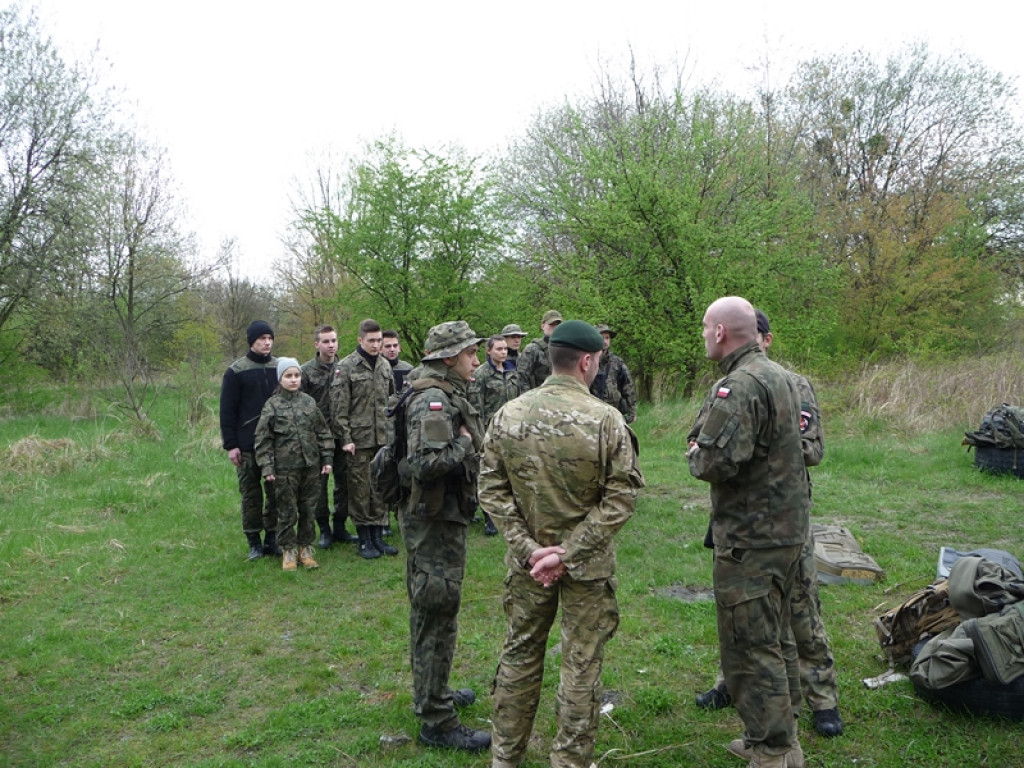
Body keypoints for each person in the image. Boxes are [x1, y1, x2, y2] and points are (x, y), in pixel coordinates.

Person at [480, 319, 644, 768]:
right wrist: (567, 553)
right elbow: (622, 496)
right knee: (581, 665)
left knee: (519, 655)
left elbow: (490, 490)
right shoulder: (605, 419)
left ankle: (504, 759)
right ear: (587, 361)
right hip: (585, 569)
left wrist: (529, 549)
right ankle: (569, 761)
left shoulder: (509, 414)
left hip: (528, 565)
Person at [695, 309, 844, 742]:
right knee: (750, 621)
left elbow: (811, 448)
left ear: (766, 339)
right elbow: (701, 435)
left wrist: (767, 441)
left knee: (801, 614)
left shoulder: (792, 384)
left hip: (781, 517)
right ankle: (736, 685)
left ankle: (821, 698)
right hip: (750, 519)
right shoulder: (729, 385)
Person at [687, 296, 811, 768]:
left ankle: (773, 749)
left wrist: (695, 451)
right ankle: (782, 735)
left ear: (721, 332)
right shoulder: (780, 375)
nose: (702, 335)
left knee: (748, 646)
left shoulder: (738, 386)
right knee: (776, 639)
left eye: (704, 327)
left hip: (751, 538)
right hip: (786, 532)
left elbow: (713, 460)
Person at [400, 320, 491, 753]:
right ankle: (436, 719)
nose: (477, 359)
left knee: (436, 611)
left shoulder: (441, 391)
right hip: (434, 524)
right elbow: (424, 464)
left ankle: (434, 693)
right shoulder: (434, 400)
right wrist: (467, 444)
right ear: (450, 357)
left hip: (441, 520)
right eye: (471, 352)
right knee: (436, 612)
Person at [255, 358, 334, 571]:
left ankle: (305, 549)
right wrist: (267, 467)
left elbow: (323, 432)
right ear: (280, 379)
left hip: (311, 466)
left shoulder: (309, 402)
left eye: (296, 375)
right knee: (286, 510)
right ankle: (288, 551)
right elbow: (263, 440)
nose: (293, 380)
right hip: (284, 470)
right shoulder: (272, 405)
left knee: (308, 509)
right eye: (288, 376)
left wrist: (327, 459)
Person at [330, 319, 397, 559]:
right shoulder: (346, 367)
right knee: (360, 489)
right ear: (360, 340)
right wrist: (345, 438)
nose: (376, 345)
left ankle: (378, 535)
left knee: (380, 486)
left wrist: (393, 433)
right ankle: (364, 538)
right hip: (358, 440)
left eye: (379, 340)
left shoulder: (385, 365)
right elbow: (338, 408)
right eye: (371, 341)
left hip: (382, 438)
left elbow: (391, 402)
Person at [219, 320, 280, 561]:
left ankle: (273, 538)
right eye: (261, 339)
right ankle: (254, 541)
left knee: (275, 493)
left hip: (276, 443)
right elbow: (227, 410)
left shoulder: (279, 367)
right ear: (251, 341)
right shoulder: (236, 371)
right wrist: (231, 445)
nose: (266, 342)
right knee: (251, 495)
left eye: (269, 338)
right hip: (247, 445)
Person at [300, 324, 357, 548]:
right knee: (319, 486)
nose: (331, 345)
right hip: (318, 438)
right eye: (326, 341)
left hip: (343, 434)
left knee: (345, 483)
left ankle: (341, 526)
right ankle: (323, 529)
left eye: (334, 340)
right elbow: (301, 406)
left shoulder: (346, 368)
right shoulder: (305, 372)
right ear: (317, 344)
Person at [468, 334, 522, 535]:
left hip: (512, 431)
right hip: (489, 432)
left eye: (504, 349)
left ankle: (510, 513)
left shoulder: (512, 372)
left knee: (511, 474)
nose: (503, 352)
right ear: (488, 351)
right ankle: (489, 517)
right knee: (490, 475)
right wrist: (480, 437)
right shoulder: (481, 374)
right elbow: (476, 407)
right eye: (498, 349)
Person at [589, 324, 638, 424]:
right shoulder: (586, 361)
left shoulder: (617, 362)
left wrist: (632, 411)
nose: (605, 341)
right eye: (601, 337)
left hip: (612, 413)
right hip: (590, 413)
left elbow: (628, 387)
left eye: (607, 338)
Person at [516, 310, 562, 391]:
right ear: (543, 326)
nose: (555, 328)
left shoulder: (564, 350)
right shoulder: (533, 349)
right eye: (551, 324)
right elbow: (521, 378)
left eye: (558, 325)